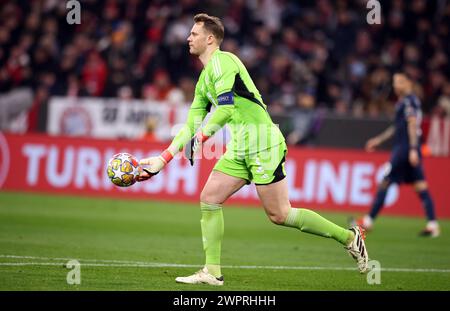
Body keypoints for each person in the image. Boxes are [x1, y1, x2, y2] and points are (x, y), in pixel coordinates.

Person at [137, 13, 369, 286]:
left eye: (194, 33)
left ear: (210, 39)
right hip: (240, 146)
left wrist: (202, 137)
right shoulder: (203, 80)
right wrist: (162, 160)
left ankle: (349, 238)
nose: (188, 37)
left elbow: (225, 109)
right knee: (209, 198)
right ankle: (212, 272)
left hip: (263, 142)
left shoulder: (225, 62)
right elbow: (189, 126)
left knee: (280, 215)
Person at [354, 72, 440, 237]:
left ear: (409, 83)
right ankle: (433, 224)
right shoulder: (408, 101)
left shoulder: (408, 101)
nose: (395, 85)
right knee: (420, 186)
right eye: (394, 82)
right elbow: (397, 127)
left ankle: (368, 221)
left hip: (404, 150)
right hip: (408, 149)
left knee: (385, 182)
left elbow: (412, 124)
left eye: (399, 81)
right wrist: (379, 140)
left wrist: (414, 149)